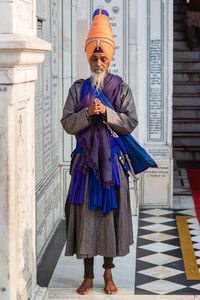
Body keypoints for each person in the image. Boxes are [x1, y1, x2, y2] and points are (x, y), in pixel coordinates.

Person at [60, 8, 138, 295]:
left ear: (110, 58)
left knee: (109, 221)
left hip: (112, 166)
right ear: (87, 57)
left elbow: (130, 122)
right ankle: (88, 275)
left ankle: (108, 273)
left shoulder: (121, 89)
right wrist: (86, 115)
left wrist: (106, 112)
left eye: (103, 58)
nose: (98, 62)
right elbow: (68, 122)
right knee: (84, 219)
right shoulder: (77, 89)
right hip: (85, 166)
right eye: (94, 58)